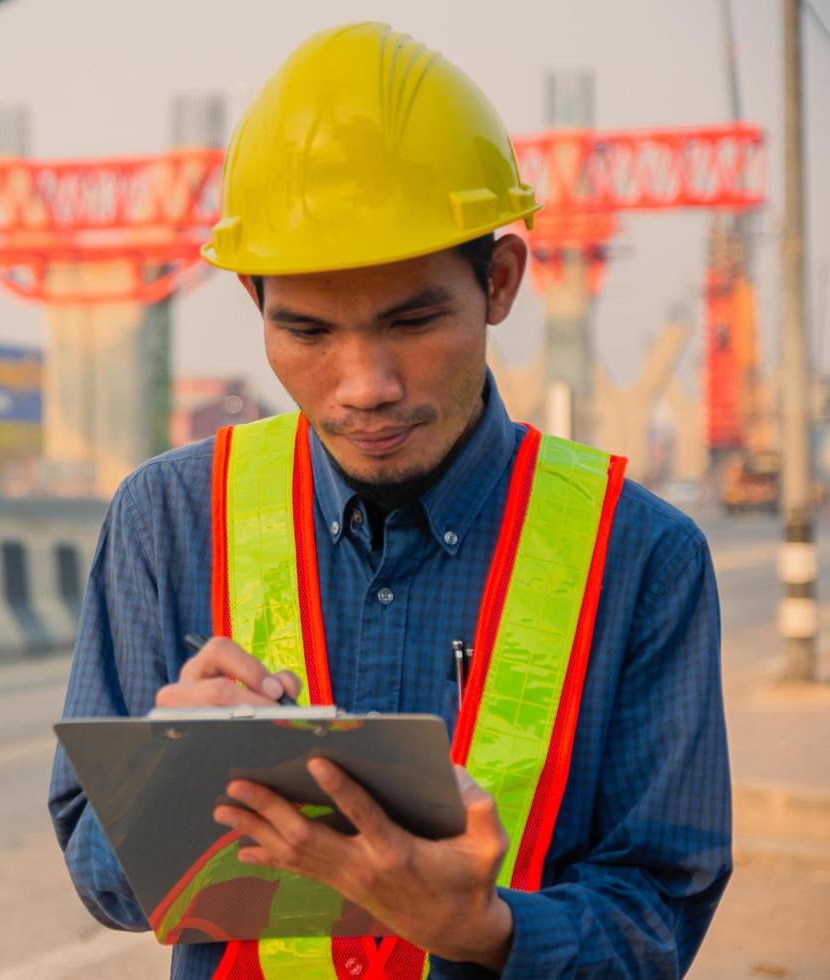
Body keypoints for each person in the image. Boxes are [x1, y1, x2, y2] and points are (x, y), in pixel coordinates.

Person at [47, 21, 730, 980]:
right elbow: (98, 874)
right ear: (255, 306)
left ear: (497, 282)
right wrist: (165, 783)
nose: (361, 384)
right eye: (308, 331)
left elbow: (660, 908)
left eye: (411, 321)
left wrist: (485, 933)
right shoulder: (167, 521)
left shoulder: (640, 556)